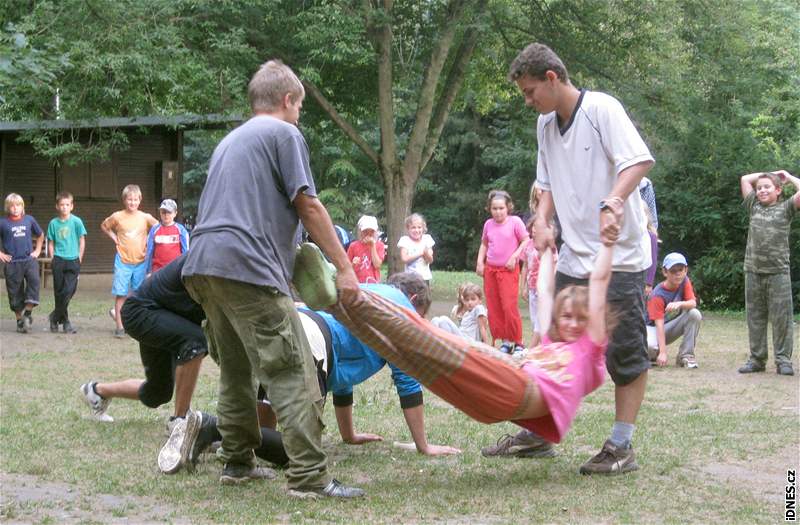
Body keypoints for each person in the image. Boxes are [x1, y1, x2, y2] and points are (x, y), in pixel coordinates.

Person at [181, 59, 363, 497]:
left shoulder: (231, 140)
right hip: (247, 268)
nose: (299, 115)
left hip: (202, 266)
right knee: (290, 369)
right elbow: (309, 205)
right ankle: (309, 477)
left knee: (237, 370)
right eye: (300, 106)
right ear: (287, 100)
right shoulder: (284, 133)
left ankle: (238, 463)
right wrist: (346, 267)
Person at [292, 232, 615, 456]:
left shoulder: (589, 351)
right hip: (492, 395)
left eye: (579, 318)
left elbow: (599, 283)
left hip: (515, 387)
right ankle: (334, 302)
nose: (571, 324)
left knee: (420, 333)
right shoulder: (552, 339)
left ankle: (344, 287)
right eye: (566, 317)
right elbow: (545, 292)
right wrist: (545, 251)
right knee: (402, 353)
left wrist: (608, 244)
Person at [505, 43, 655, 474]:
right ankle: (540, 431)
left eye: (531, 91)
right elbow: (547, 181)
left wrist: (613, 199)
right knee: (556, 344)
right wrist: (542, 219)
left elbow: (639, 160)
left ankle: (621, 446)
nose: (529, 101)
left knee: (623, 351)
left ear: (552, 78)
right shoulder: (545, 125)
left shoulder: (602, 109)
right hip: (574, 255)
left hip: (620, 255)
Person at [737, 170, 799, 376]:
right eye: (760, 187)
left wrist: (787, 176)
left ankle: (783, 360)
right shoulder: (753, 206)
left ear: (778, 191)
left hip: (778, 273)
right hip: (753, 271)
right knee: (755, 318)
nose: (762, 190)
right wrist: (769, 174)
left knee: (782, 319)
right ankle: (756, 359)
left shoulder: (786, 208)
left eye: (767, 187)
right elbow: (745, 179)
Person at [100, 184, 158, 338]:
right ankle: (119, 327)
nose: (132, 202)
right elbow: (105, 226)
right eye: (129, 199)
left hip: (141, 262)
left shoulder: (145, 217)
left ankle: (137, 325)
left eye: (135, 199)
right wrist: (114, 237)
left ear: (140, 200)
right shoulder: (117, 216)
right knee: (121, 294)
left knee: (139, 295)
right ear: (124, 200)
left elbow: (158, 228)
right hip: (123, 261)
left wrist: (151, 244)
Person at [476, 190, 529, 354]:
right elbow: (484, 244)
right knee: (495, 306)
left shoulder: (515, 222)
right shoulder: (488, 224)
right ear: (489, 209)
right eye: (494, 208)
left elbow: (526, 240)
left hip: (508, 271)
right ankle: (505, 340)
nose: (498, 212)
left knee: (509, 306)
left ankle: (518, 342)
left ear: (508, 208)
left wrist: (515, 256)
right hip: (491, 270)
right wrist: (480, 262)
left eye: (501, 208)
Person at [645, 252, 701, 368]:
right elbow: (659, 325)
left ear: (686, 270)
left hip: (668, 327)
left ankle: (685, 356)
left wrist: (679, 304)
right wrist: (663, 352)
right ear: (665, 272)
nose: (678, 274)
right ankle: (652, 353)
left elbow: (693, 303)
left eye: (680, 270)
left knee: (694, 314)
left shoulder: (684, 281)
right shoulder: (657, 295)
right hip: (652, 328)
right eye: (673, 271)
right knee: (650, 347)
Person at [0, 193, 44, 333]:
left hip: (28, 260)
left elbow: (40, 235)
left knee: (34, 283)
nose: (15, 208)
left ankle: (28, 314)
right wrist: (0, 254)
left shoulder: (29, 220)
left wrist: (37, 251)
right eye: (12, 206)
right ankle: (20, 321)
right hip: (12, 263)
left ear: (22, 206)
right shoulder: (3, 222)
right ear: (7, 207)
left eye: (18, 205)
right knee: (14, 292)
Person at [45, 191, 87, 334]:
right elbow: (51, 242)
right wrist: (53, 258)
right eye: (61, 205)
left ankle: (54, 316)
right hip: (59, 260)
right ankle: (65, 322)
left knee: (69, 290)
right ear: (57, 206)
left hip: (73, 260)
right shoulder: (53, 223)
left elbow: (82, 240)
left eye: (67, 205)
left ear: (72, 206)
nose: (64, 207)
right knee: (59, 291)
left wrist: (79, 258)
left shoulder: (76, 221)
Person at [520, 218, 557, 348]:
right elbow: (525, 266)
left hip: (544, 290)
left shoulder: (550, 248)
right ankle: (541, 346)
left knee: (540, 320)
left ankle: (532, 349)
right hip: (532, 289)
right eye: (534, 227)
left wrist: (551, 286)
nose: (536, 230)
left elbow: (555, 264)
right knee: (534, 319)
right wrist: (523, 286)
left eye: (539, 227)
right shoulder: (528, 246)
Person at [144, 199, 189, 275]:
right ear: (160, 213)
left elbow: (186, 251)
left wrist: (185, 270)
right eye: (163, 212)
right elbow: (149, 251)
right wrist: (148, 271)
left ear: (175, 213)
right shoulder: (154, 229)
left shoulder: (181, 230)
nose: (166, 215)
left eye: (169, 212)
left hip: (175, 271)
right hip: (157, 271)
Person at [397, 213, 435, 286]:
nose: (417, 230)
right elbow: (404, 258)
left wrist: (426, 253)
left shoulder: (427, 239)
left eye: (419, 227)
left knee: (423, 297)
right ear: (408, 229)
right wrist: (421, 253)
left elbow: (430, 260)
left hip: (424, 278)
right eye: (413, 227)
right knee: (410, 297)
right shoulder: (405, 240)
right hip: (409, 278)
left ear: (423, 228)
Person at [347, 215, 385, 284]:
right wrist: (353, 264)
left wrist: (372, 246)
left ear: (376, 232)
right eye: (365, 231)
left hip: (373, 283)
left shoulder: (379, 245)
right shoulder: (353, 246)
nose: (369, 234)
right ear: (360, 231)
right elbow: (347, 267)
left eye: (372, 231)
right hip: (357, 283)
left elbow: (377, 265)